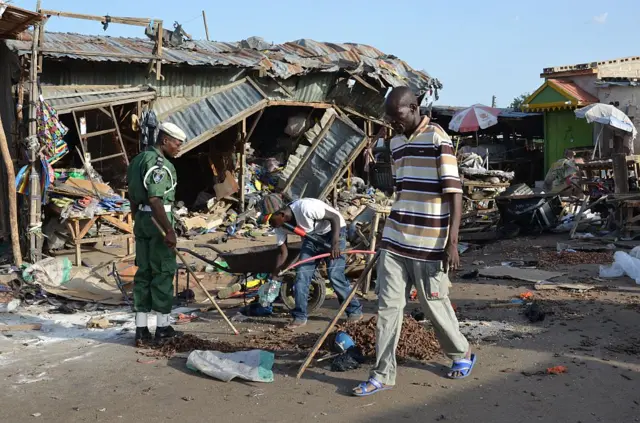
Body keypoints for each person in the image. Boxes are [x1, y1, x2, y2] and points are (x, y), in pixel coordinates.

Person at [352, 87, 475, 397]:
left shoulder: (438, 138)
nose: (393, 122)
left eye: (398, 116)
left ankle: (461, 353)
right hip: (396, 238)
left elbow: (454, 192)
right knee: (387, 309)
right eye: (389, 117)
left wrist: (453, 241)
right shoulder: (394, 142)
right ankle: (382, 374)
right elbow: (401, 188)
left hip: (430, 242)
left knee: (434, 305)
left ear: (415, 107)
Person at [261, 195, 363, 328]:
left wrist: (335, 244)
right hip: (311, 238)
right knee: (302, 276)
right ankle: (299, 316)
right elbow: (283, 252)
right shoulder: (279, 226)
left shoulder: (305, 208)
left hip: (333, 232)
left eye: (268, 219)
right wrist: (275, 275)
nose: (268, 224)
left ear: (281, 214)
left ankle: (354, 311)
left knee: (334, 275)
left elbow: (335, 218)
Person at [127, 122, 186, 344]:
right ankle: (162, 329)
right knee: (162, 272)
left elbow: (132, 196)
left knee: (143, 272)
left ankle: (141, 330)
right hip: (158, 221)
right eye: (177, 144)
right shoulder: (159, 164)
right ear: (165, 140)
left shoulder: (137, 160)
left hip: (142, 220)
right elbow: (155, 199)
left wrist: (137, 219)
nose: (178, 148)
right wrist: (169, 230)